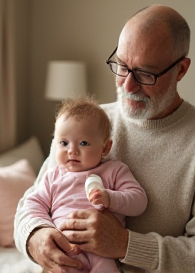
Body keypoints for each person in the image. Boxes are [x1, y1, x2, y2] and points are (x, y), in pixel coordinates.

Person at [14, 4, 195, 273]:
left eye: (145, 73)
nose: (127, 85)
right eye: (122, 66)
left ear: (181, 70)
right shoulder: (86, 125)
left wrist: (126, 244)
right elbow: (30, 205)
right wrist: (36, 238)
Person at [18, 96, 148, 272]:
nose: (72, 150)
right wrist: (44, 228)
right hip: (64, 250)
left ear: (105, 147)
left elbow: (139, 201)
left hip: (102, 253)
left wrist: (110, 198)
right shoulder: (53, 176)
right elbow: (33, 203)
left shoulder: (114, 170)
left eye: (83, 143)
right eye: (63, 143)